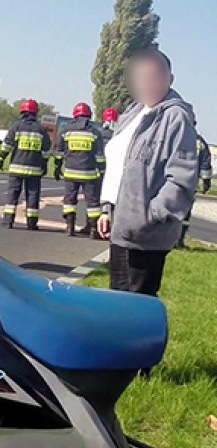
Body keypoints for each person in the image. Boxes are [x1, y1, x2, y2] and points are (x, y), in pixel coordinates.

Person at [99, 48, 198, 296]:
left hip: (146, 237)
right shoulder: (134, 113)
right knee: (117, 304)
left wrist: (150, 217)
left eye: (155, 76)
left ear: (170, 79)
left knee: (136, 312)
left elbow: (181, 178)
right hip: (120, 230)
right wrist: (107, 208)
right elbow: (118, 166)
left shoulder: (175, 117)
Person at [53, 102, 106, 238]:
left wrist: (57, 167)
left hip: (70, 172)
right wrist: (101, 171)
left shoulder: (66, 131)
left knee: (70, 200)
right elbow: (100, 156)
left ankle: (70, 227)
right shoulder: (95, 133)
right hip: (89, 174)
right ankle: (94, 230)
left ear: (75, 115)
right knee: (92, 202)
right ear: (89, 115)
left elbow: (59, 152)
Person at [0, 99, 51, 230]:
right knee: (33, 195)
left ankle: (8, 221)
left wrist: (1, 158)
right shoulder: (40, 129)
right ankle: (32, 223)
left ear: (22, 111)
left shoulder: (16, 126)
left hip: (16, 168)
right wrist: (44, 165)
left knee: (13, 194)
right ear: (35, 113)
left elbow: (7, 146)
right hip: (34, 170)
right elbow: (46, 151)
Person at [178, 126, 212, 247]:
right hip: (190, 184)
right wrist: (206, 183)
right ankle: (179, 240)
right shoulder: (200, 143)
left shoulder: (175, 137)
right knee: (185, 215)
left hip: (171, 182)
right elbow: (205, 164)